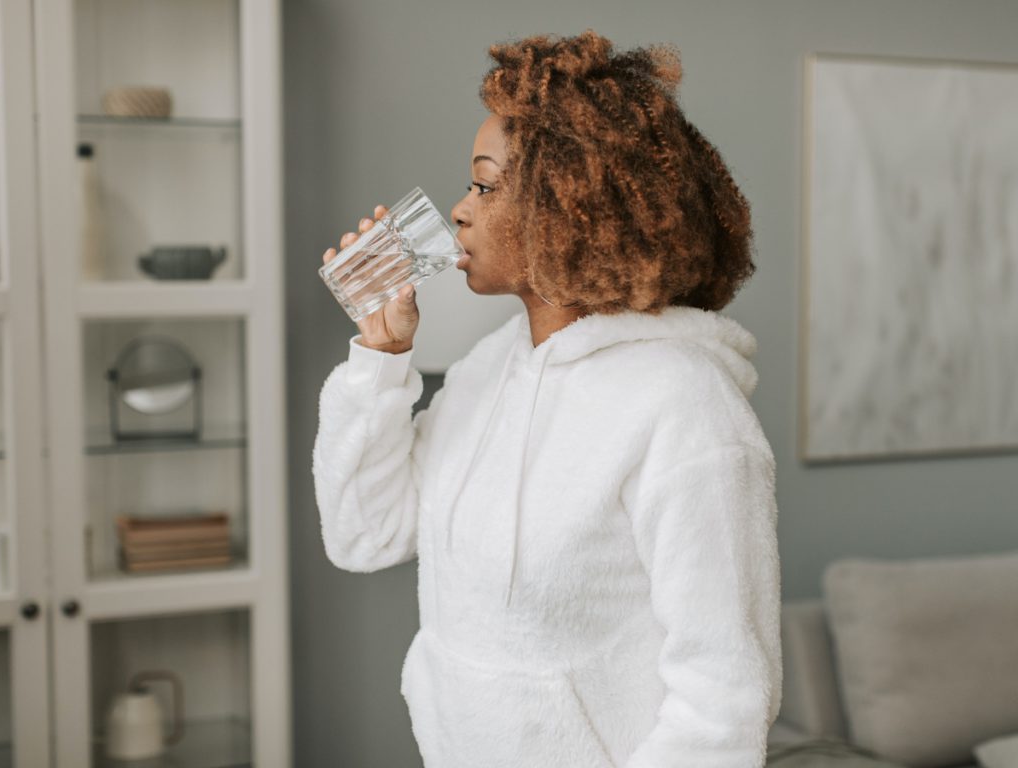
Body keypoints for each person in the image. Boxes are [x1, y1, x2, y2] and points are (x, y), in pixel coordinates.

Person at [313, 29, 781, 768]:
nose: (460, 211)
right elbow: (363, 535)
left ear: (573, 206)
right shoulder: (485, 371)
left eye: (486, 185)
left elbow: (723, 699)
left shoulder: (687, 407)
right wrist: (381, 356)